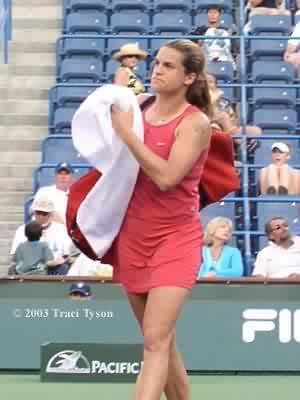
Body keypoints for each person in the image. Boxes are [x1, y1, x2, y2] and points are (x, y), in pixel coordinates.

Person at [110, 39, 212, 400]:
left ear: (190, 77)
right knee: (161, 342)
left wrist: (125, 132)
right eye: (157, 62)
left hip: (176, 238)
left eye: (169, 66)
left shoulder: (196, 123)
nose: (157, 69)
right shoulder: (137, 106)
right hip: (133, 236)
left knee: (154, 340)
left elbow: (167, 178)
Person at [11, 197, 72, 275]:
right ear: (34, 213)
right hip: (28, 268)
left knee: (63, 268)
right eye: (38, 213)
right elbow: (15, 256)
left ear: (51, 214)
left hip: (54, 268)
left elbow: (66, 254)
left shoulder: (61, 229)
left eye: (45, 214)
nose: (41, 216)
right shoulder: (22, 230)